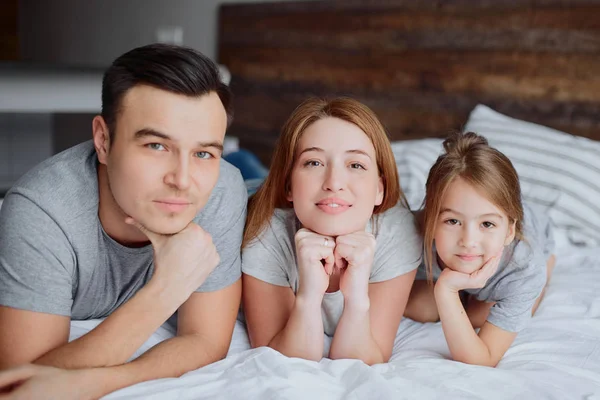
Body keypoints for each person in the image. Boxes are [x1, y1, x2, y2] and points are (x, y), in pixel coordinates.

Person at [0, 43, 247, 398]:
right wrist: (167, 289)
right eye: (156, 146)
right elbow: (20, 386)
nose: (182, 179)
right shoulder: (42, 210)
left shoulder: (220, 186)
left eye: (204, 153)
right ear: (103, 140)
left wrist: (99, 381)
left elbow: (205, 339)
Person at [241, 97, 422, 365]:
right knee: (242, 164)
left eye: (356, 165)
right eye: (314, 163)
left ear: (379, 189)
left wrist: (357, 296)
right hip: (253, 189)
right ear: (288, 184)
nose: (334, 183)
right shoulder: (264, 229)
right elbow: (279, 358)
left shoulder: (398, 232)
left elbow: (367, 358)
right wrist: (309, 296)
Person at [404, 131, 555, 367]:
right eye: (452, 221)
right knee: (419, 307)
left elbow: (482, 359)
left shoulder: (523, 267)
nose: (469, 240)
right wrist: (448, 289)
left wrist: (446, 292)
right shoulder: (412, 235)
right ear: (431, 220)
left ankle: (542, 277)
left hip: (537, 234)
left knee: (485, 312)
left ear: (507, 231)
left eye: (487, 224)